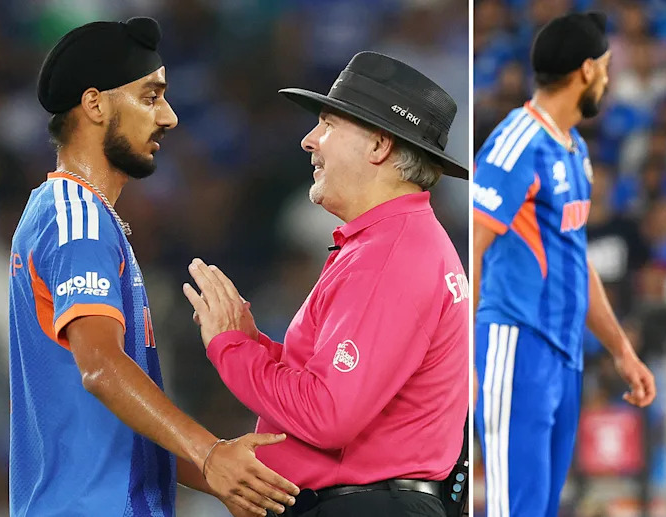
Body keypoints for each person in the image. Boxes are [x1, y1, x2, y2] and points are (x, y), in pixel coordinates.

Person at [8, 17, 300, 517]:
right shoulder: (75, 217)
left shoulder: (81, 215)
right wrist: (208, 453)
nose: (169, 117)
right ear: (95, 103)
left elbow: (124, 418)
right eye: (150, 96)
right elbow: (102, 369)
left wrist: (227, 473)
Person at [182, 51, 469, 517]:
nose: (309, 140)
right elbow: (334, 386)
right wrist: (255, 343)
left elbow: (328, 414)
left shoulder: (391, 256)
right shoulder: (394, 242)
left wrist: (232, 347)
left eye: (329, 125)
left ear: (379, 146)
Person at [471, 12, 656, 517]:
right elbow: (472, 244)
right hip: (517, 344)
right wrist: (462, 354)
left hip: (564, 355)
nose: (609, 79)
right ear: (586, 70)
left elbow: (575, 261)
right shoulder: (518, 141)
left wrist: (620, 349)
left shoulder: (574, 151)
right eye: (607, 68)